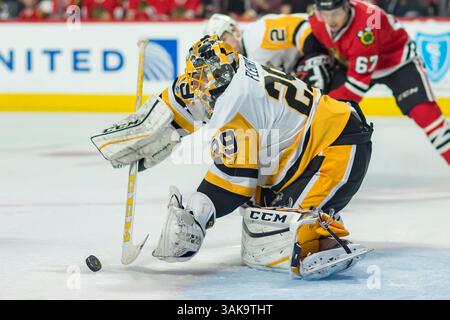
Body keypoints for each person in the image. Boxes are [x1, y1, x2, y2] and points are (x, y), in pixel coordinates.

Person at [91, 35, 373, 279]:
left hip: (337, 145)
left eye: (203, 80)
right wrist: (138, 133)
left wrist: (197, 213)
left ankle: (325, 238)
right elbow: (180, 100)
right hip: (298, 152)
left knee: (285, 235)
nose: (199, 87)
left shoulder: (238, 102)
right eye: (197, 78)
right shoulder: (226, 71)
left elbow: (235, 183)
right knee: (260, 224)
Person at [310, 0, 450, 164]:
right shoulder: (314, 20)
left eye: (336, 13)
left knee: (426, 116)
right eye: (325, 14)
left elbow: (355, 89)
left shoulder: (369, 21)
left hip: (398, 63)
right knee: (326, 111)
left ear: (347, 7)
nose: (331, 20)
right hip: (352, 63)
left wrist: (319, 109)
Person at [205, 13, 332, 90]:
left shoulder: (258, 33)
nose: (223, 48)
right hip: (296, 67)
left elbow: (301, 27)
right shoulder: (237, 64)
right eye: (218, 46)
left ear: (235, 30)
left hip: (325, 44)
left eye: (224, 39)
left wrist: (315, 59)